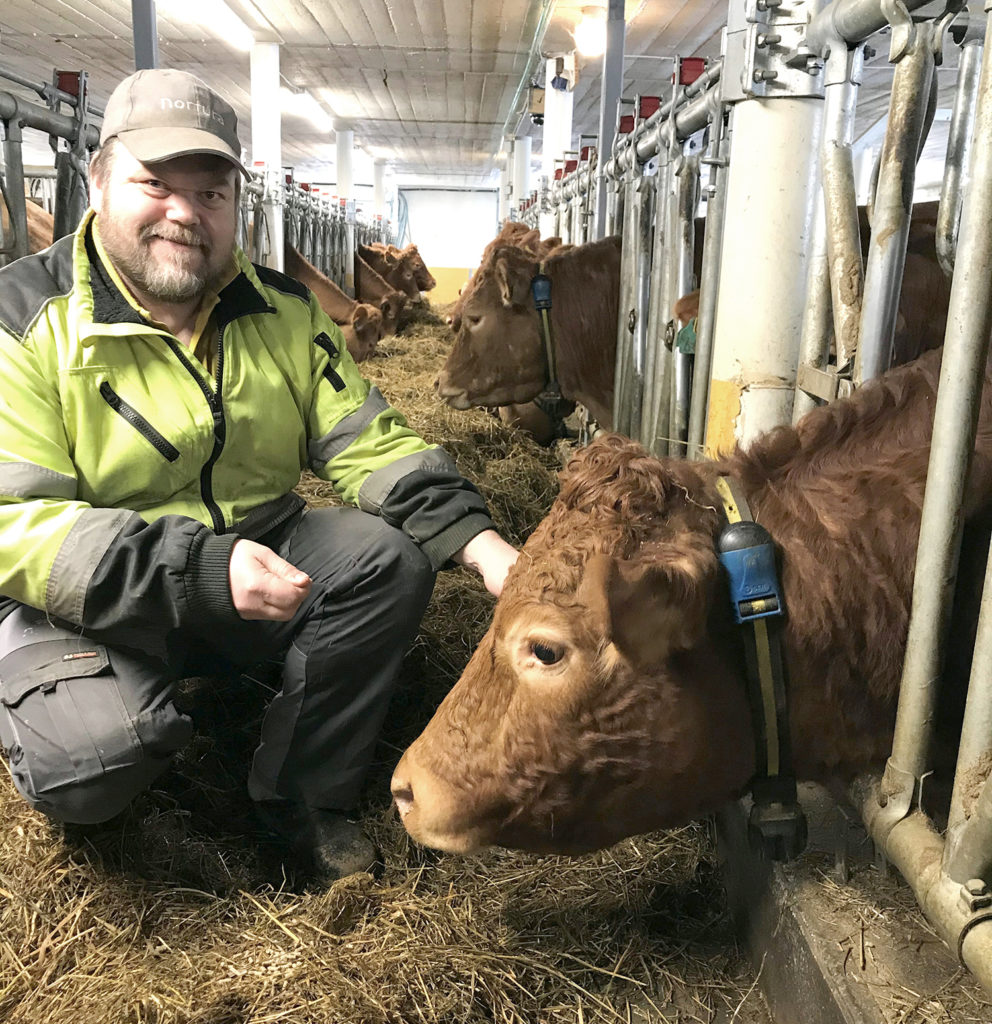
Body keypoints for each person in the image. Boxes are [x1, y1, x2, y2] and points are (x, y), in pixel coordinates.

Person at [0, 69, 519, 884]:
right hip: (90, 594)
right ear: (98, 181)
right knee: (89, 763)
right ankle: (115, 721)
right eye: (154, 184)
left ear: (234, 203)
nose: (184, 213)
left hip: (255, 547)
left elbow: (363, 437)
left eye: (209, 193)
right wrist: (197, 570)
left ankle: (301, 796)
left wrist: (481, 543)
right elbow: (13, 523)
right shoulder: (20, 321)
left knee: (386, 560)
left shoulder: (280, 308)